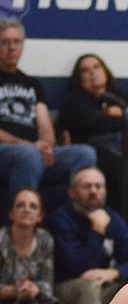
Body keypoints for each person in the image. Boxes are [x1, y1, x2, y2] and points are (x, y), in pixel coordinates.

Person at [59, 53, 128, 230]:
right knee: (124, 175)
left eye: (96, 67)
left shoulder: (117, 95)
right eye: (85, 71)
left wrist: (124, 113)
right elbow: (87, 122)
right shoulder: (75, 100)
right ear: (79, 79)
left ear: (105, 71)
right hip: (102, 152)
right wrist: (117, 116)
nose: (92, 73)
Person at [0, 19, 96, 203]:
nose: (12, 47)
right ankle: (19, 223)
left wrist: (47, 146)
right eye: (5, 42)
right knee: (27, 156)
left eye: (16, 42)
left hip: (33, 150)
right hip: (9, 150)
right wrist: (26, 145)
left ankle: (70, 219)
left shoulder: (31, 84)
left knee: (85, 154)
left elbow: (44, 124)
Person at [49, 166, 128, 304]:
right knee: (89, 287)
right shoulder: (61, 219)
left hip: (101, 284)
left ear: (105, 191)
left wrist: (114, 273)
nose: (93, 191)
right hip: (66, 287)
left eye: (98, 186)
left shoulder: (113, 219)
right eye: (86, 186)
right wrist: (97, 231)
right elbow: (78, 266)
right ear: (72, 192)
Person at [0, 188, 65, 304]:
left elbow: (47, 284)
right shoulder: (1, 238)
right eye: (20, 205)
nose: (26, 209)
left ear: (40, 216)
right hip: (3, 303)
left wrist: (35, 289)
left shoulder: (45, 240)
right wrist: (12, 291)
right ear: (11, 213)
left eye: (33, 206)